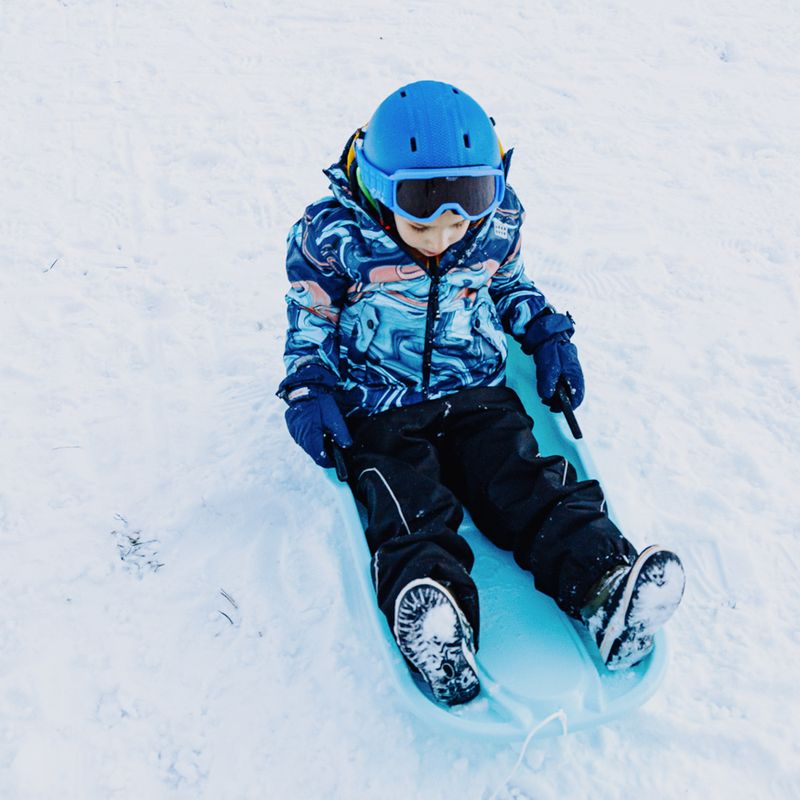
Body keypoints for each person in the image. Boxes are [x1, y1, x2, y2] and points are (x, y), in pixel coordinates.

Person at [277, 80, 685, 706]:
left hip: (474, 388)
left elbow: (510, 284)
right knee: (408, 503)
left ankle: (606, 585)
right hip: (380, 404)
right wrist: (309, 388)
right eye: (423, 221)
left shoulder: (495, 224)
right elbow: (311, 317)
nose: (444, 238)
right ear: (382, 193)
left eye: (463, 216)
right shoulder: (334, 239)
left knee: (523, 481)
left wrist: (546, 332)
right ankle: (440, 630)